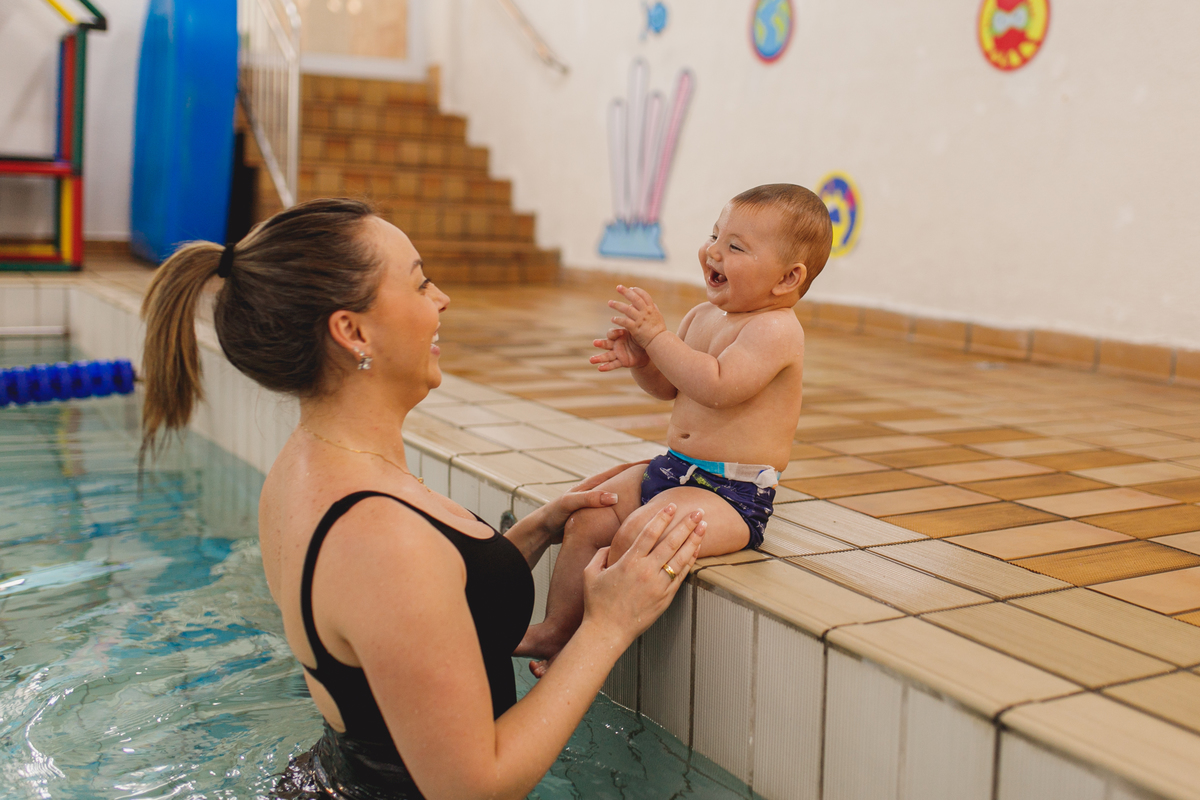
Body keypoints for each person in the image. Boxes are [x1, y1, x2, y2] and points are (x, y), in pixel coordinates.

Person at [138, 198, 707, 800]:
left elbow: (408, 626)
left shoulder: (311, 464)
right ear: (352, 331)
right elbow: (474, 788)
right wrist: (607, 626)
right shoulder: (379, 538)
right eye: (419, 282)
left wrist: (538, 529)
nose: (442, 299)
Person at [518, 184, 832, 674]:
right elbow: (670, 387)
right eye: (714, 236)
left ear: (787, 278)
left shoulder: (776, 330)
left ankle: (590, 647)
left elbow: (719, 385)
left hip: (732, 492)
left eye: (736, 246)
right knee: (589, 515)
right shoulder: (703, 316)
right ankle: (557, 629)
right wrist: (644, 360)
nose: (714, 251)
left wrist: (658, 337)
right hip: (676, 469)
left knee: (642, 532)